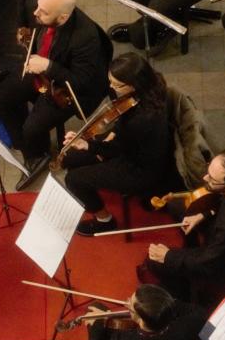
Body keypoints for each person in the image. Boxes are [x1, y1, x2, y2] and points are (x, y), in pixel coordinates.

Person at [0, 0, 109, 190]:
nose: (36, 13)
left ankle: (38, 155)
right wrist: (22, 28)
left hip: (64, 88)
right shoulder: (42, 7)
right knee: (1, 98)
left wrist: (48, 66)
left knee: (32, 127)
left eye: (42, 13)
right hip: (42, 68)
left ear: (62, 18)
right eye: (37, 8)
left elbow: (80, 80)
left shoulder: (84, 38)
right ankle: (24, 143)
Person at [64, 53, 181, 235]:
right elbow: (122, 126)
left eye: (116, 84)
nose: (111, 87)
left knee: (73, 180)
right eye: (110, 80)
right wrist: (111, 134)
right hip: (135, 146)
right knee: (70, 159)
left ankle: (105, 220)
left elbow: (115, 150)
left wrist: (88, 145)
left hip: (139, 169)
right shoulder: (154, 84)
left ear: (134, 84)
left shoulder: (142, 120)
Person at [144, 148, 225, 305]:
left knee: (154, 262)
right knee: (177, 207)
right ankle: (189, 248)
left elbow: (208, 262)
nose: (205, 178)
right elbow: (223, 200)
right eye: (208, 170)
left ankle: (181, 292)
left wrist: (168, 256)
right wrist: (204, 214)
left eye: (212, 179)